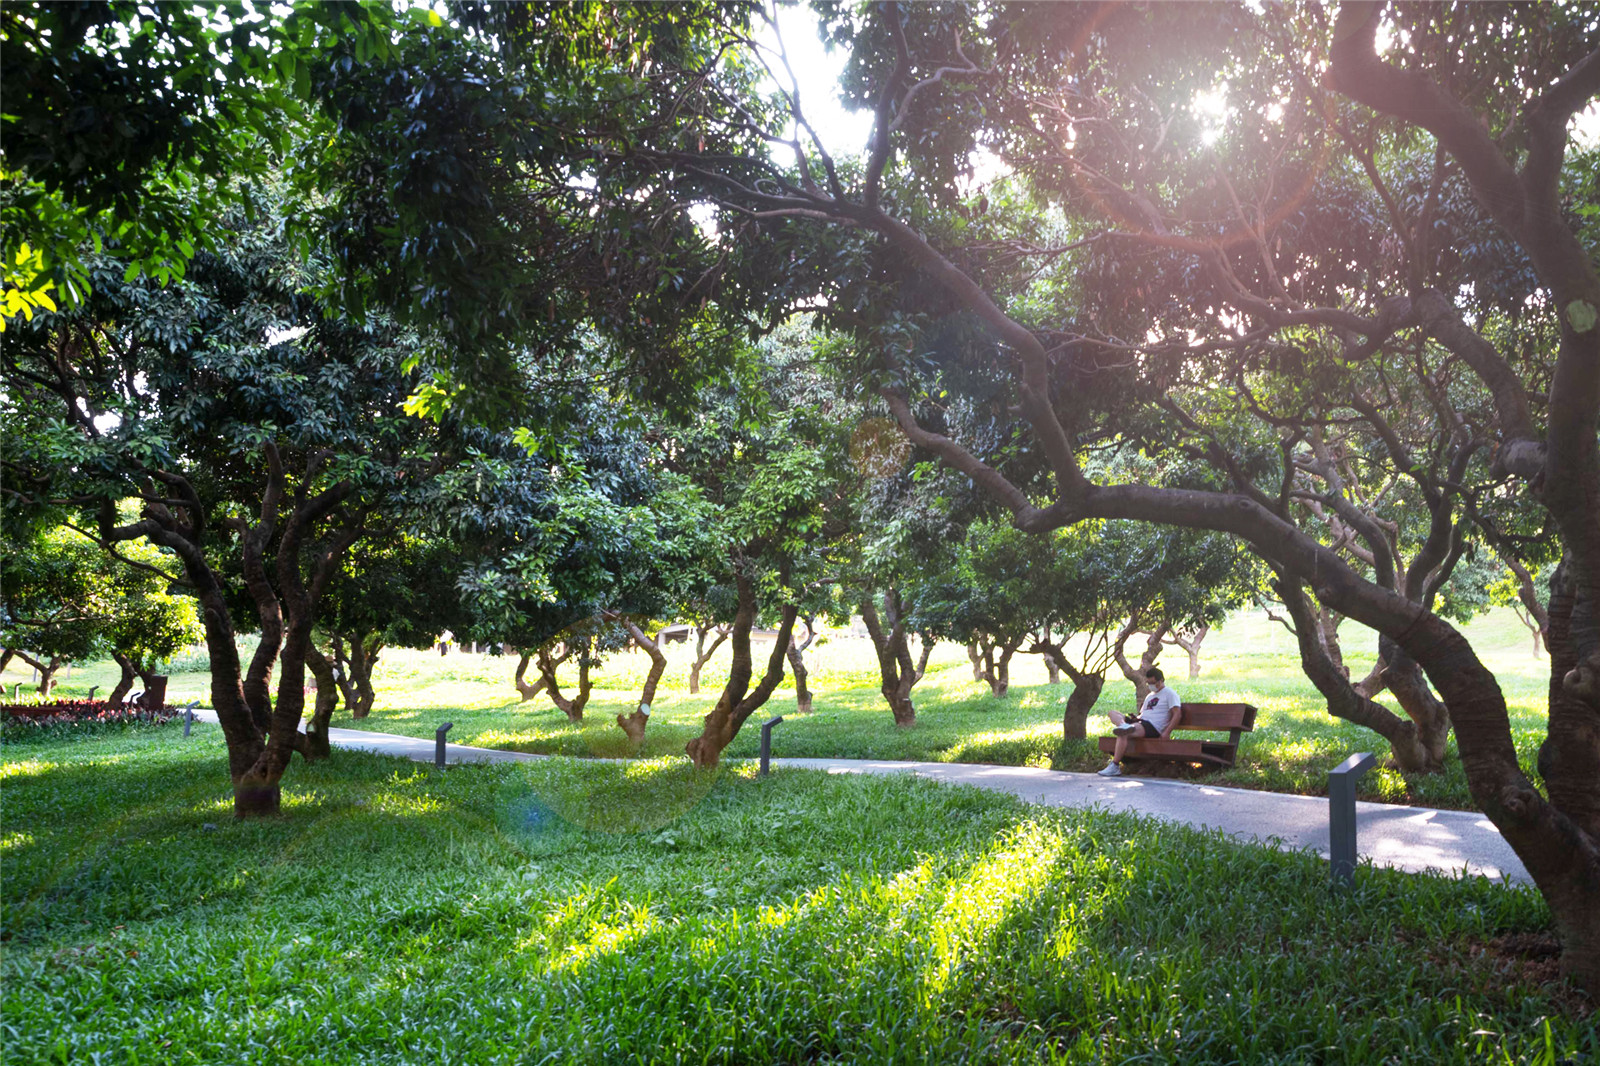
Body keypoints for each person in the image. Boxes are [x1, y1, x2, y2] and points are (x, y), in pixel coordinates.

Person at [1097, 666, 1182, 777]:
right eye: (1148, 683)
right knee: (1112, 713)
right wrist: (1136, 718)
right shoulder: (1150, 696)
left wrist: (1167, 732)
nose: (1150, 686)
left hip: (1153, 727)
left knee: (1123, 733)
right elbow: (1144, 713)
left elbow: (1177, 714)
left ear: (1161, 680)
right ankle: (1124, 725)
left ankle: (1115, 766)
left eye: (1153, 683)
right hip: (1141, 722)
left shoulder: (1169, 693)